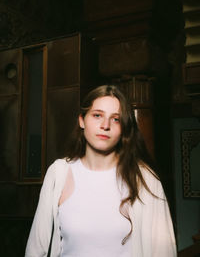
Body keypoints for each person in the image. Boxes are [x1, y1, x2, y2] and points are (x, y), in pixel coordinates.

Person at [25, 84, 177, 257]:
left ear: (124, 128)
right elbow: (36, 249)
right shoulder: (59, 173)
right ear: (82, 120)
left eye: (116, 119)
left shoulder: (144, 178)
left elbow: (163, 251)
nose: (105, 125)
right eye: (97, 115)